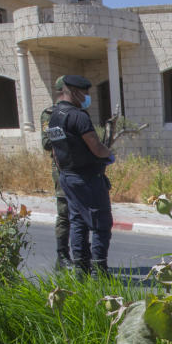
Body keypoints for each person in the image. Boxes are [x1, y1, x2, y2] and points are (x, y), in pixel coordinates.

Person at [46, 75, 114, 275]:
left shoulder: (55, 115)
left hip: (67, 176)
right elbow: (96, 147)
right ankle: (100, 271)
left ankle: (81, 270)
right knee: (101, 223)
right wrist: (108, 155)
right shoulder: (78, 116)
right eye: (84, 93)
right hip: (87, 178)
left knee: (78, 222)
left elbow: (55, 150)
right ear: (72, 91)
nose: (86, 97)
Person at [40, 77, 72, 270]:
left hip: (80, 169)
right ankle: (62, 256)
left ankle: (82, 255)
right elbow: (46, 143)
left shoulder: (77, 112)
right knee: (64, 213)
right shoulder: (50, 114)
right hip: (62, 169)